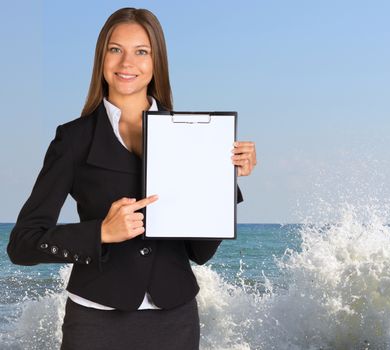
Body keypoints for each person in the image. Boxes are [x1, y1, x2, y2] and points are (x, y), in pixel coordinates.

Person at [6, 7, 256, 350]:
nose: (127, 62)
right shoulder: (73, 139)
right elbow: (22, 244)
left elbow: (200, 252)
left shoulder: (193, 137)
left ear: (156, 62)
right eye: (115, 49)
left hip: (176, 321)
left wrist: (225, 179)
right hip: (95, 323)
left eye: (141, 51)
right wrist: (101, 233)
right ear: (101, 58)